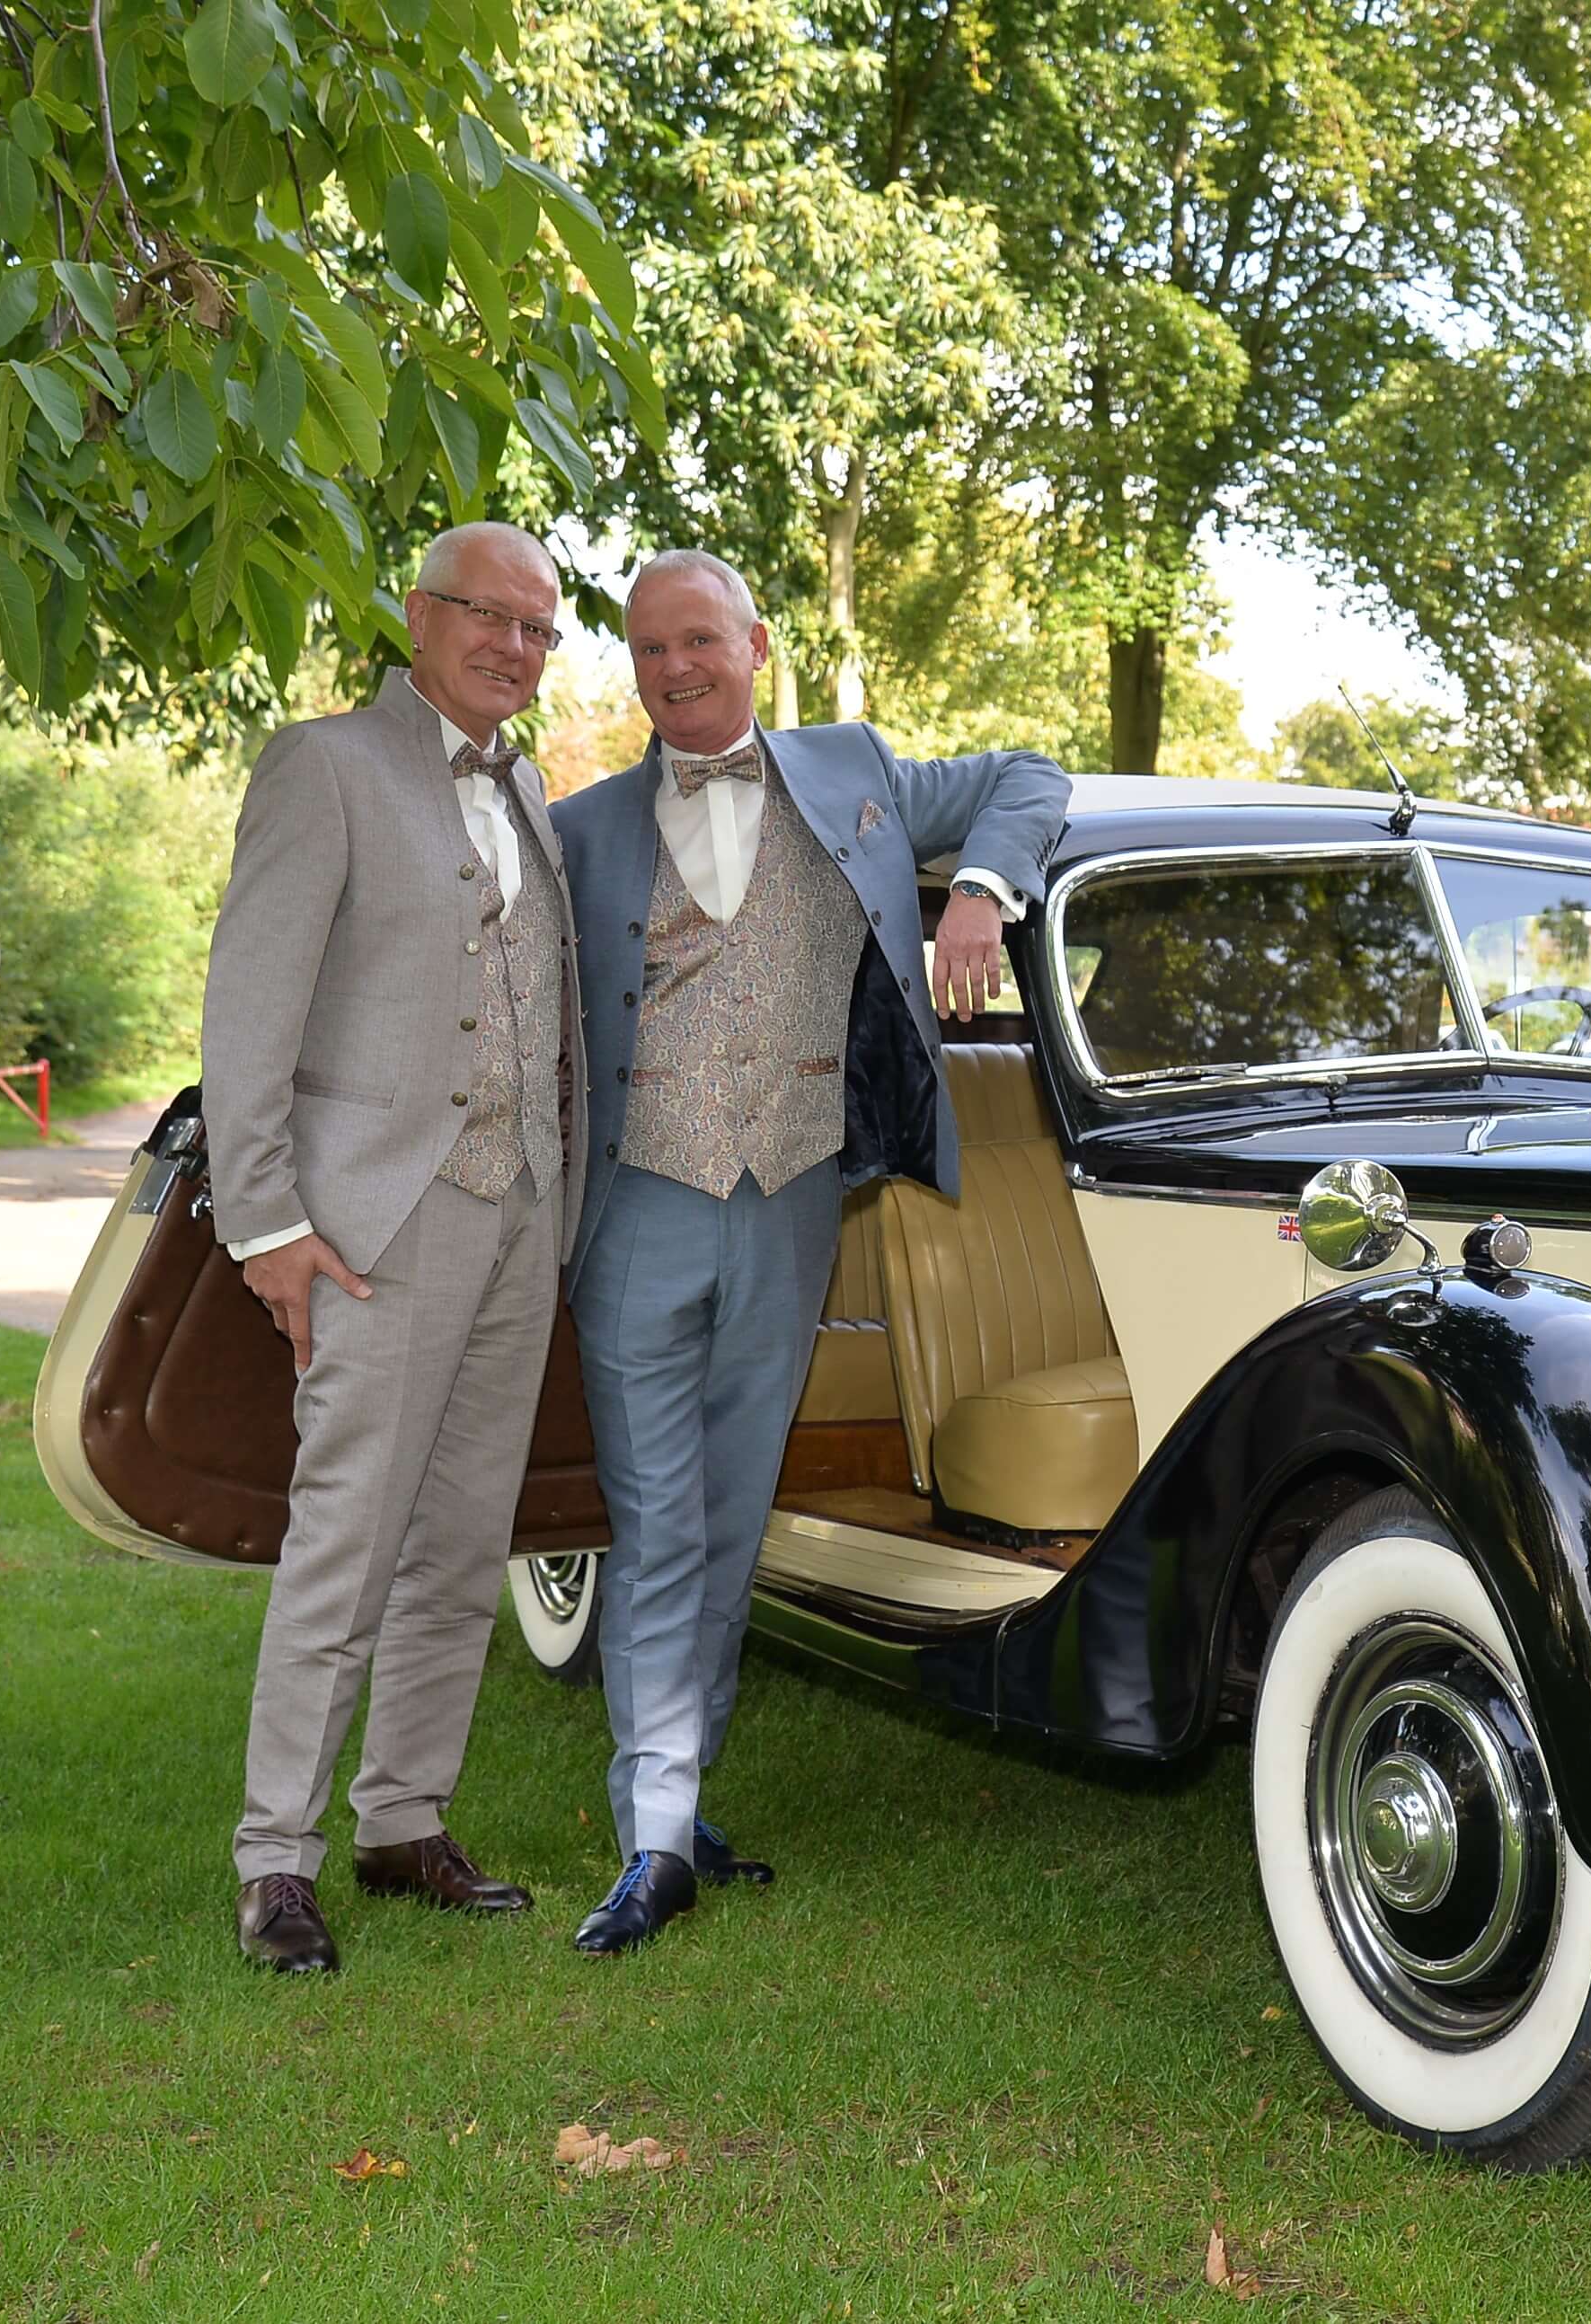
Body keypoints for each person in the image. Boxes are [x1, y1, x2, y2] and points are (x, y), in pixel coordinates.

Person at [548, 549, 1070, 1956]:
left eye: (698, 640)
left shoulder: (858, 773)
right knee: (658, 1523)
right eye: (649, 650)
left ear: (755, 644)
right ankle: (652, 1837)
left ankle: (683, 1795)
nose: (673, 670)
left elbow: (1031, 774)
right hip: (635, 1214)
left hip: (790, 1204)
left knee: (729, 1518)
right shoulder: (581, 827)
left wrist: (984, 897)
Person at [202, 521, 585, 1974]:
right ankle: (275, 1857)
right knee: (346, 1541)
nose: (512, 646)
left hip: (516, 1212)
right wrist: (271, 1223)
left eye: (538, 628)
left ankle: (403, 1815)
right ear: (417, 619)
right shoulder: (326, 766)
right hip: (376, 1220)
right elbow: (251, 1009)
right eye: (485, 615)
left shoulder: (531, 785)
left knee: (460, 1541)